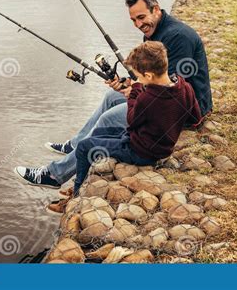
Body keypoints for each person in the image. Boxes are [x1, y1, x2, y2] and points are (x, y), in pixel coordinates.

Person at [13, 0, 212, 188]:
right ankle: (76, 144)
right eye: (133, 20)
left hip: (178, 109)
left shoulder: (177, 37)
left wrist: (135, 91)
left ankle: (55, 175)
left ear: (156, 9)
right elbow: (153, 78)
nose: (138, 24)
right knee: (111, 96)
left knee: (108, 118)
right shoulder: (155, 31)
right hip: (163, 98)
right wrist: (127, 84)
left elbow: (169, 88)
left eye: (141, 17)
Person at [73, 41, 200, 198]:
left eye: (138, 77)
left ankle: (76, 191)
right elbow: (195, 117)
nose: (137, 80)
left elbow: (131, 119)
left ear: (148, 75)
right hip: (161, 145)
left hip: (141, 152)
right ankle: (91, 172)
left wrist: (135, 91)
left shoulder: (147, 98)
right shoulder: (184, 86)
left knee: (84, 146)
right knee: (99, 131)